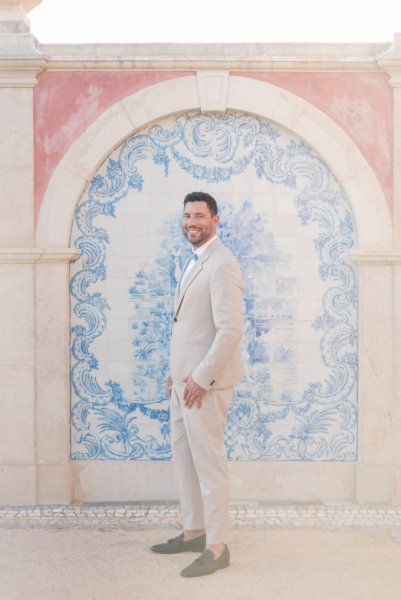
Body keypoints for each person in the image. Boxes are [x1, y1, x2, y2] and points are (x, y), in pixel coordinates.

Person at [151, 191, 244, 578]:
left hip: (205, 386)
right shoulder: (195, 260)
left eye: (200, 216)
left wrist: (201, 378)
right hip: (183, 384)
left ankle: (217, 546)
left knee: (209, 466)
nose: (192, 221)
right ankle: (193, 531)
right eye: (187, 215)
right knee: (185, 463)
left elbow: (229, 331)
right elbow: (190, 328)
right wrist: (178, 371)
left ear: (215, 220)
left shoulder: (221, 264)